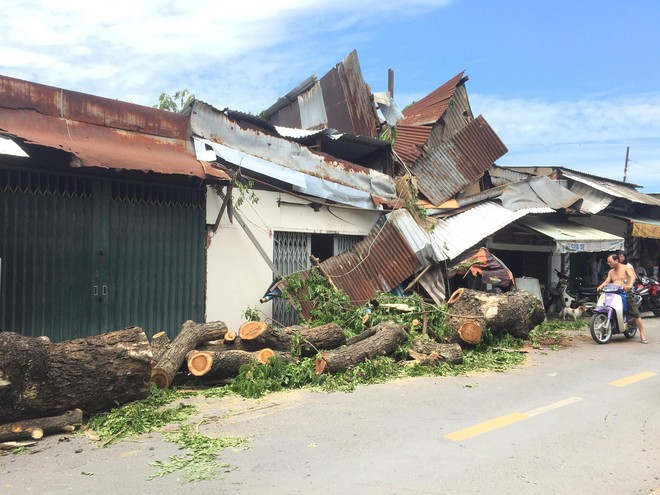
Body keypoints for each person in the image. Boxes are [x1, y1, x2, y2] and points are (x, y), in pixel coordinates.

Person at [598, 253, 648, 343]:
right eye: (608, 262)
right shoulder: (611, 272)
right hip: (613, 293)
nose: (609, 264)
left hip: (625, 293)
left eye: (610, 262)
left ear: (616, 260)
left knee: (635, 313)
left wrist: (629, 285)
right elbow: (607, 281)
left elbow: (632, 277)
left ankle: (642, 334)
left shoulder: (626, 267)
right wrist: (601, 285)